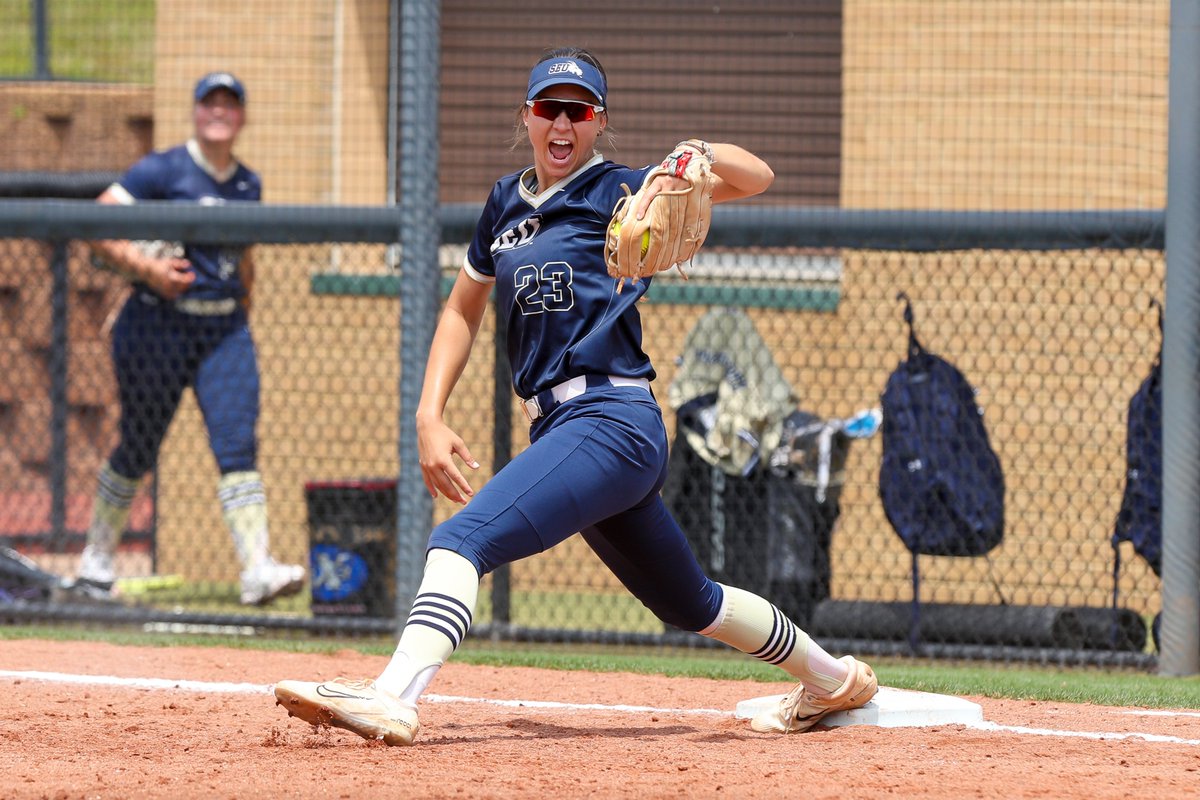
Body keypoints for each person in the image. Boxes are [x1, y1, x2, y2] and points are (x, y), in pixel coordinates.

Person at [274, 46, 876, 744]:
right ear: (527, 116)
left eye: (578, 110)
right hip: (565, 428)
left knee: (462, 538)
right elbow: (461, 309)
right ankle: (834, 680)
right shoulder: (504, 203)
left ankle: (392, 697)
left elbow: (758, 176)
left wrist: (693, 155)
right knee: (692, 602)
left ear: (598, 121)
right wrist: (428, 414)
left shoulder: (621, 188)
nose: (562, 122)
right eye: (548, 108)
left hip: (612, 418)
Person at [73, 71, 305, 606]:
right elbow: (94, 221)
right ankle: (96, 564)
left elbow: (245, 261)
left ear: (242, 116)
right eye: (209, 103)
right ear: (196, 112)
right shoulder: (164, 168)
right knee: (138, 445)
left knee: (237, 444)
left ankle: (256, 570)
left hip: (222, 328)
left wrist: (244, 307)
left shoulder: (248, 184)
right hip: (157, 324)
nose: (219, 112)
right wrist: (146, 267)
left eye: (230, 104)